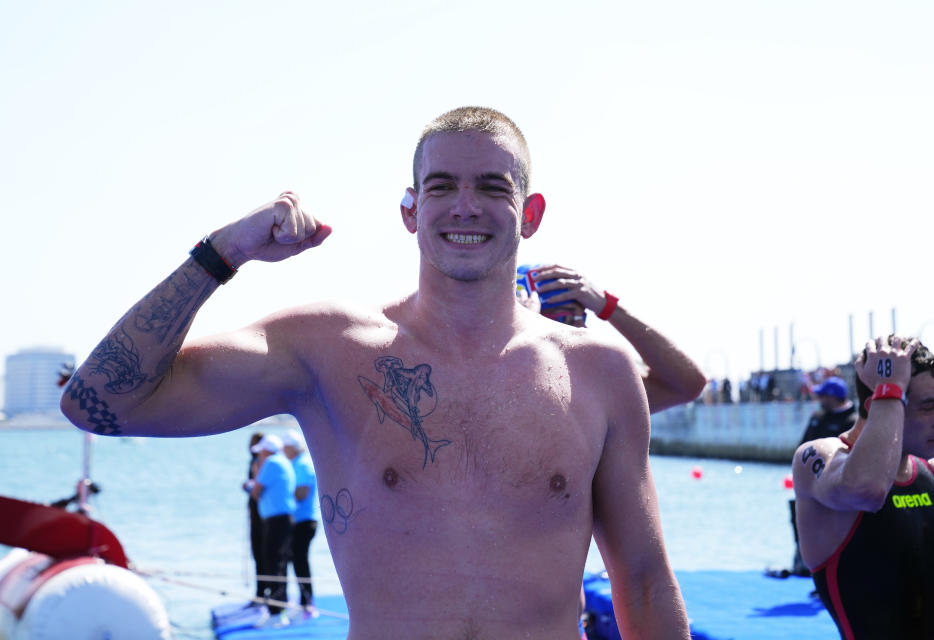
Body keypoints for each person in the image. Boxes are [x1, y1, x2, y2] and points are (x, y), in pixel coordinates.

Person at [61, 106, 690, 639]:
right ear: (410, 210)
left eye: (493, 188)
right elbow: (99, 403)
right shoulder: (329, 347)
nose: (465, 207)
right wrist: (225, 252)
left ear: (530, 213)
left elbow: (642, 576)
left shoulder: (598, 372)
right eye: (441, 186)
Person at [517, 264, 704, 638]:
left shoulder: (590, 399)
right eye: (558, 324)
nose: (574, 339)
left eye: (580, 323)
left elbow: (686, 383)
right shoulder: (453, 395)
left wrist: (609, 307)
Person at [792, 335, 934, 639]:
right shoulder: (819, 459)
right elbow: (867, 491)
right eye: (929, 407)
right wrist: (890, 391)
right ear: (879, 405)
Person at [516, 263, 706, 413]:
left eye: (581, 316)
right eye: (566, 319)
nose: (581, 329)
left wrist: (607, 306)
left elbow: (688, 384)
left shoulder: (599, 390)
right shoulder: (495, 389)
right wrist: (522, 336)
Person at [783, 375, 859, 576]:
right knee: (800, 518)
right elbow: (803, 447)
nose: (819, 400)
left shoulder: (853, 422)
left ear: (832, 397)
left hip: (837, 487)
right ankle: (804, 563)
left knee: (836, 531)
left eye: (823, 396)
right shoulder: (817, 418)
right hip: (811, 486)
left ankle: (838, 571)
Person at [244, 433, 295, 626]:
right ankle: (278, 609)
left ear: (266, 450)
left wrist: (251, 483)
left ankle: (276, 612)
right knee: (278, 562)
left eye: (261, 452)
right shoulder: (282, 461)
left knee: (273, 563)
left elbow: (256, 492)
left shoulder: (272, 463)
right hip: (282, 519)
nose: (260, 456)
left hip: (276, 521)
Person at [282, 429, 319, 618]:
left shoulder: (302, 464)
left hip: (304, 521)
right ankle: (303, 600)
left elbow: (302, 493)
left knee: (300, 561)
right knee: (295, 560)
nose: (283, 451)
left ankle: (307, 602)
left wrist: (282, 498)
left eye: (285, 447)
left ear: (293, 448)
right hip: (298, 521)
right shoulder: (294, 463)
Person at [245, 431, 267, 603]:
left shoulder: (261, 462)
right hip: (259, 511)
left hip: (262, 513)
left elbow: (258, 488)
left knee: (262, 553)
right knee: (260, 553)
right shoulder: (258, 461)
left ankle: (262, 593)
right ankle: (261, 591)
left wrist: (249, 486)